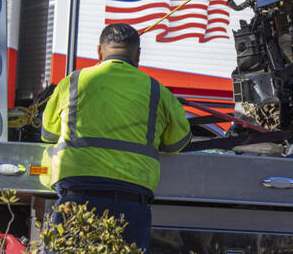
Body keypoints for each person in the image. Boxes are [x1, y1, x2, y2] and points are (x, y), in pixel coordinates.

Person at [40, 23, 191, 252]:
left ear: (99, 51)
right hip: (131, 199)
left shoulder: (73, 82)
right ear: (138, 54)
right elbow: (177, 143)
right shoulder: (156, 90)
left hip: (77, 194)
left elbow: (48, 133)